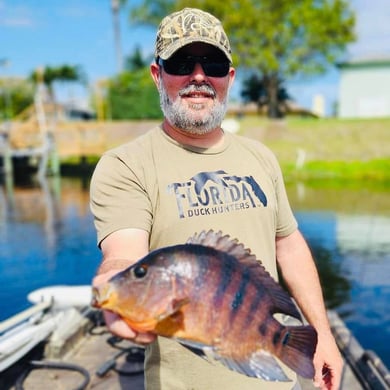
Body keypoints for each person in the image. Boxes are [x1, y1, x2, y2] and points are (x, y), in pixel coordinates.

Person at [90, 7, 343, 390]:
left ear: (230, 77)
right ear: (158, 75)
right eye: (181, 63)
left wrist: (322, 333)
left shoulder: (261, 157)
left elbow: (287, 244)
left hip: (277, 376)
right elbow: (124, 254)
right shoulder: (125, 165)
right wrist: (114, 282)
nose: (198, 77)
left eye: (213, 64)